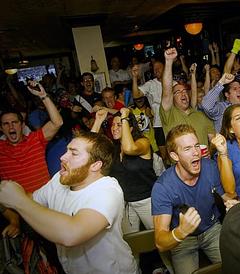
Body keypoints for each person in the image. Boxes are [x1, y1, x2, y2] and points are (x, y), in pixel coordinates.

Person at [0, 132, 138, 274]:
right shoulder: (59, 180)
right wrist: (10, 195)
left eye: (74, 153)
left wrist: (18, 200)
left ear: (95, 165)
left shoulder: (107, 190)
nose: (62, 157)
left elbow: (72, 233)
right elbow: (33, 202)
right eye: (67, 150)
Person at [151, 124, 225, 274]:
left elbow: (226, 196)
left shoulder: (210, 167)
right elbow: (160, 241)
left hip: (212, 229)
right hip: (184, 240)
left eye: (196, 146)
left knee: (234, 266)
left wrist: (231, 201)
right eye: (187, 149)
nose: (196, 153)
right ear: (174, 156)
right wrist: (181, 232)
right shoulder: (163, 187)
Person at [92, 108, 156, 234]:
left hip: (147, 201)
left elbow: (129, 148)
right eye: (113, 125)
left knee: (160, 242)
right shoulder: (113, 148)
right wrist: (98, 121)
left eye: (119, 124)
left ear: (130, 128)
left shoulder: (143, 142)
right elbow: (89, 148)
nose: (114, 128)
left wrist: (125, 116)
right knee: (130, 244)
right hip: (125, 203)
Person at [0, 81, 63, 192]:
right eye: (6, 124)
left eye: (14, 122)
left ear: (22, 125)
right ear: (1, 128)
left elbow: (57, 122)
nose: (11, 127)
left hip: (45, 202)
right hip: (17, 207)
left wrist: (43, 96)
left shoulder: (35, 140)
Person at [160, 48, 215, 146]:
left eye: (185, 91)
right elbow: (167, 91)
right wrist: (169, 62)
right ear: (172, 98)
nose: (183, 93)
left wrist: (210, 152)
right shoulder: (169, 114)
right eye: (178, 92)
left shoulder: (201, 115)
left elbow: (213, 140)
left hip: (204, 160)